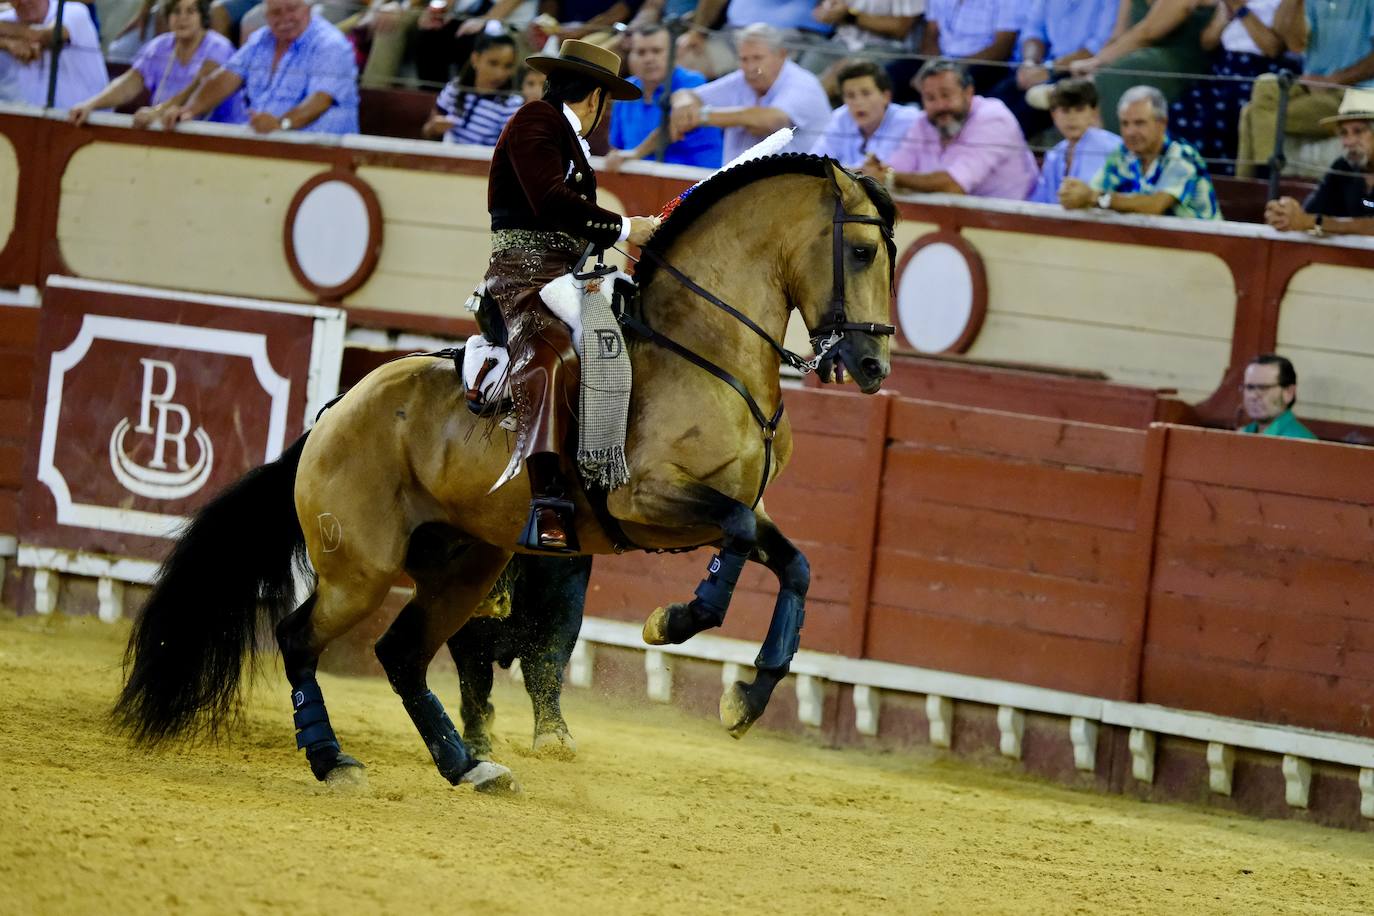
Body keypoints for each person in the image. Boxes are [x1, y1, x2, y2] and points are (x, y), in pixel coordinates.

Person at [484, 39, 661, 551]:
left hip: (565, 272)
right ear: (595, 99)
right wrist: (627, 226)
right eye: (604, 102)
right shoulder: (536, 122)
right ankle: (547, 504)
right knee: (549, 355)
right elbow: (548, 200)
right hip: (522, 274)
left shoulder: (560, 135)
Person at [161, 0, 359, 134]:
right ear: (265, 14)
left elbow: (321, 100)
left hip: (322, 153)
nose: (284, 18)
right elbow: (224, 79)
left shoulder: (330, 44)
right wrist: (188, 111)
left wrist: (281, 124)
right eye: (276, 12)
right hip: (267, 146)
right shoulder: (261, 40)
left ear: (307, 8)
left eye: (292, 9)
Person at [860, 59, 1036, 200]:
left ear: (968, 93)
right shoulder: (924, 122)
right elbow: (897, 166)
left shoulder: (993, 118)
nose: (940, 106)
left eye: (946, 95)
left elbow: (954, 185)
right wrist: (874, 171)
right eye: (930, 98)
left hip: (1014, 227)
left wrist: (889, 177)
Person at [1237, 0, 1374, 178]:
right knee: (1265, 84)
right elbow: (1295, 44)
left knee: (1251, 113)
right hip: (1314, 85)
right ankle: (1253, 186)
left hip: (1357, 92)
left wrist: (1333, 80)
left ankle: (1263, 181)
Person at [669, 23, 832, 162]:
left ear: (781, 55)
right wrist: (684, 107)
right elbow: (685, 94)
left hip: (801, 188)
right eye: (744, 59)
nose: (750, 67)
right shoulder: (743, 77)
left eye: (757, 58)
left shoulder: (803, 83)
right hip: (743, 185)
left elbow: (770, 120)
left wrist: (702, 116)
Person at [68, 0, 242, 128]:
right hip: (170, 130)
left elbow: (196, 89)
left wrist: (158, 112)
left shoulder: (218, 47)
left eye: (190, 11)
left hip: (217, 132)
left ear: (202, 17)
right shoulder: (159, 47)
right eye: (176, 12)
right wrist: (91, 105)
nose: (182, 18)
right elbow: (128, 83)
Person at [1059, 85, 1221, 219]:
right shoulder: (1122, 154)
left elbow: (1155, 205)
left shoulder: (1182, 155)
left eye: (1139, 123)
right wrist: (1075, 194)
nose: (1130, 132)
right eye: (1125, 124)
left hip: (1201, 249)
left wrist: (1094, 197)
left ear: (1162, 123)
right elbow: (1091, 191)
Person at [1167, 0, 1286, 175]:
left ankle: (1218, 183)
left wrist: (1241, 9)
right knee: (1178, 111)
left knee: (1213, 120)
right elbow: (1207, 42)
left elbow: (1273, 47)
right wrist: (1227, 14)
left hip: (1258, 72)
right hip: (1225, 68)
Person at [1070, 0, 1215, 135]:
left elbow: (1148, 32)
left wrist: (1097, 62)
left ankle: (1116, 151)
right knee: (1085, 84)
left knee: (1107, 79)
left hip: (1179, 60)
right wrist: (1094, 64)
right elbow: (1117, 37)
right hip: (1134, 55)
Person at [605, 23, 723, 169]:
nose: (649, 59)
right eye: (641, 52)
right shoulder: (625, 89)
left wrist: (637, 153)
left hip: (692, 180)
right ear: (630, 56)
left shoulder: (692, 82)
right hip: (640, 180)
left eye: (656, 51)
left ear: (674, 53)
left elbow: (675, 127)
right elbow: (617, 147)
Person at [996, 0, 1117, 138]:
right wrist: (1030, 63)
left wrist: (1050, 70)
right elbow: (1033, 30)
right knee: (999, 96)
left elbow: (1098, 46)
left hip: (1079, 70)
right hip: (1043, 66)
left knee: (1024, 110)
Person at [1264, 88, 1374, 236]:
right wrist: (1284, 215)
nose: (1348, 142)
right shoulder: (1343, 167)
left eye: (1358, 131)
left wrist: (1315, 222)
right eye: (1343, 133)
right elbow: (1309, 213)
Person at [675, 0, 835, 80]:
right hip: (732, 34)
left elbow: (837, 7)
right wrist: (696, 32)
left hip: (789, 38)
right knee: (683, 59)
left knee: (759, 75)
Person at [810, 59, 919, 169]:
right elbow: (815, 163)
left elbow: (880, 173)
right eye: (850, 95)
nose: (858, 102)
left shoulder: (908, 120)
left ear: (886, 96)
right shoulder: (841, 117)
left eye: (866, 93)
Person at [1028, 78, 1121, 205]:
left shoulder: (1112, 147)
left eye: (1079, 109)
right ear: (1054, 114)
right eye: (1065, 111)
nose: (1072, 118)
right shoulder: (1054, 154)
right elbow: (1039, 202)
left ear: (1094, 112)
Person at [0, 0, 107, 108]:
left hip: (82, 118)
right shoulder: (5, 19)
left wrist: (17, 32)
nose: (23, 1)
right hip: (22, 116)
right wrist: (8, 44)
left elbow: (47, 35)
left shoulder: (74, 11)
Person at [421, 31, 521, 145]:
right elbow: (426, 132)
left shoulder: (512, 105)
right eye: (493, 63)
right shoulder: (455, 88)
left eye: (508, 66)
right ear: (475, 59)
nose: (500, 73)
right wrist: (434, 128)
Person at [919, 0, 1020, 95]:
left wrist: (954, 68)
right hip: (941, 61)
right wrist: (932, 65)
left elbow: (1002, 47)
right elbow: (931, 36)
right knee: (907, 71)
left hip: (981, 64)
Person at [1238, 353, 1317, 439]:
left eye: (1263, 388)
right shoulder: (1243, 433)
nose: (1253, 396)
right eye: (1250, 387)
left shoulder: (1302, 443)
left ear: (1289, 393)